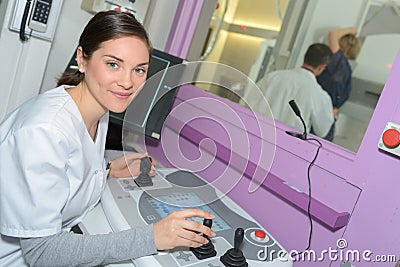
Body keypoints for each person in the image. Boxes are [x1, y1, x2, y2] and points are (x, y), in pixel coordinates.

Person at [0, 11, 215, 267]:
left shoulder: (96, 111)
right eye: (113, 64)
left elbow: (66, 172)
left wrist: (107, 170)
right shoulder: (44, 131)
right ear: (82, 59)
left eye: (139, 70)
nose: (127, 82)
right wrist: (153, 237)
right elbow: (43, 252)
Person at [253, 43, 335, 138]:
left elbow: (247, 103)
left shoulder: (273, 77)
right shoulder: (320, 95)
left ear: (305, 56)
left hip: (258, 134)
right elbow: (322, 131)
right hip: (288, 146)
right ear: (322, 67)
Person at [317, 27, 361, 141]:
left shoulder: (339, 64)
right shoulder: (346, 71)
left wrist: (352, 30)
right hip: (329, 119)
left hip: (320, 116)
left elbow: (333, 34)